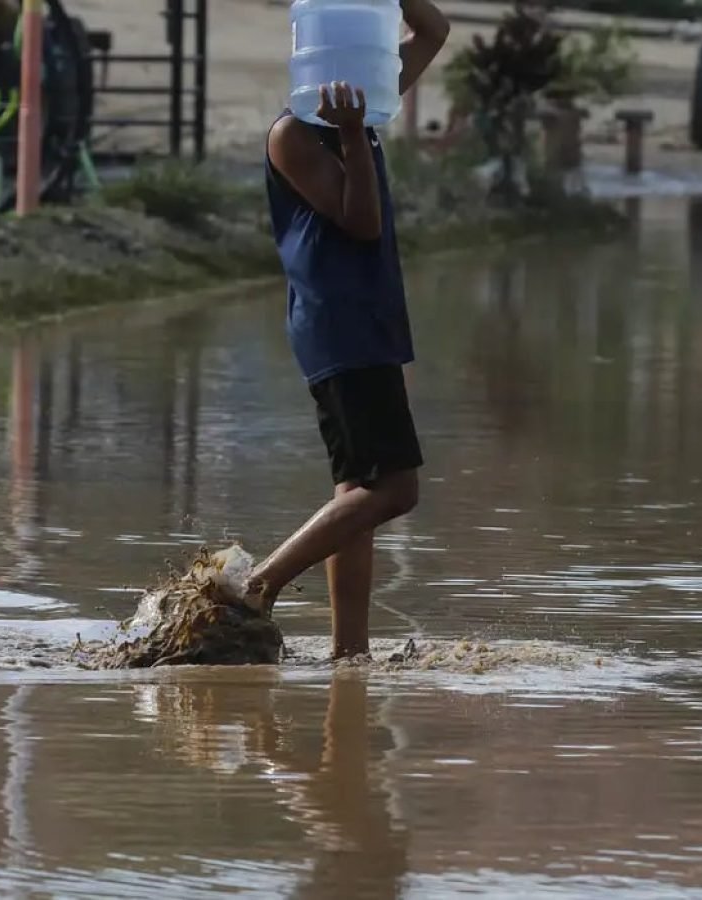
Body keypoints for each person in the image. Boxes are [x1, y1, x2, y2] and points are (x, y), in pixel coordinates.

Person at [245, 0, 450, 659]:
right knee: (394, 489)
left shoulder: (371, 102)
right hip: (340, 326)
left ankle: (349, 652)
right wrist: (356, 133)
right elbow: (359, 221)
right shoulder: (294, 136)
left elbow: (434, 31)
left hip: (366, 319)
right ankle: (261, 583)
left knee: (355, 493)